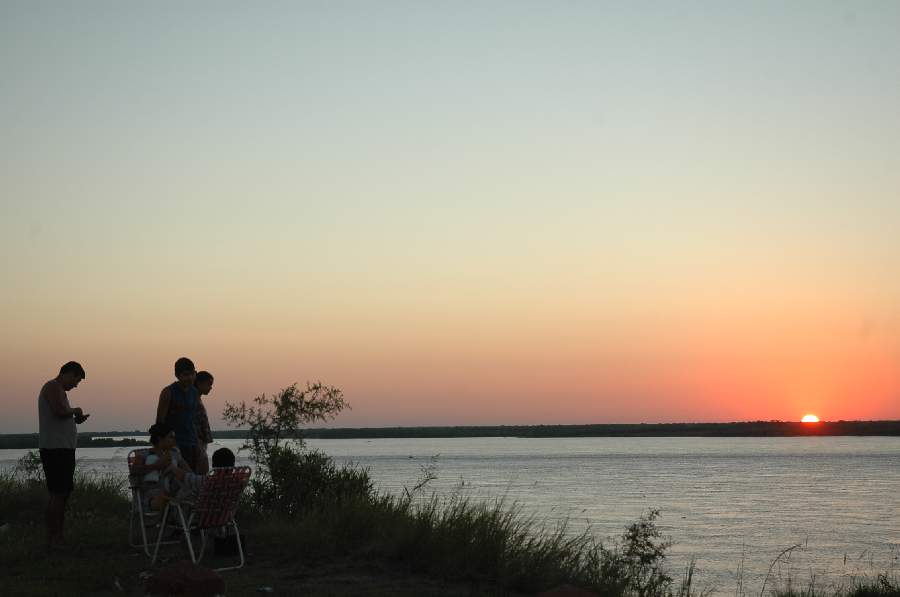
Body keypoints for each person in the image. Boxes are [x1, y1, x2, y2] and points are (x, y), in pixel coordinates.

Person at [38, 361, 89, 549]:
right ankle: (54, 538)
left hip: (62, 449)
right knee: (58, 494)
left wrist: (76, 418)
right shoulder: (52, 386)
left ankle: (57, 537)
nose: (76, 385)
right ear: (68, 373)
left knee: (62, 493)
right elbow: (59, 411)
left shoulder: (59, 390)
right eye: (76, 380)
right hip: (55, 450)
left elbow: (61, 413)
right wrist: (76, 410)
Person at [134, 422, 192, 510]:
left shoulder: (175, 454)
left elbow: (189, 473)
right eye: (171, 437)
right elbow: (134, 472)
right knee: (165, 498)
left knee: (192, 491)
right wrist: (156, 466)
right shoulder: (144, 454)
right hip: (152, 495)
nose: (174, 440)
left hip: (173, 491)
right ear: (160, 439)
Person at [155, 357, 198, 471]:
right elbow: (159, 423)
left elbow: (193, 419)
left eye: (192, 374)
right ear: (177, 375)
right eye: (185, 375)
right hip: (174, 445)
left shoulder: (194, 392)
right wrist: (162, 448)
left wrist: (198, 444)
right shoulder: (168, 393)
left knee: (191, 479)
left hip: (192, 442)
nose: (189, 378)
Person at [193, 371, 215, 475]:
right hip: (197, 442)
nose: (210, 387)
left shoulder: (197, 399)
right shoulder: (192, 400)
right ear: (199, 383)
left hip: (200, 441)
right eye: (209, 384)